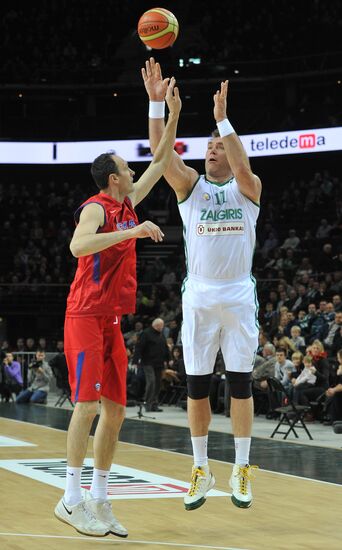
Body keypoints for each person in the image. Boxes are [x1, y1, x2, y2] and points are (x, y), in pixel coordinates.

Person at [54, 78, 182, 538]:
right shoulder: (98, 207)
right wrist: (131, 232)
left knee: (116, 411)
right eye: (128, 168)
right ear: (113, 178)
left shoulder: (128, 202)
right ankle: (71, 499)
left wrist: (172, 115)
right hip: (84, 317)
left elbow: (162, 161)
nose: (133, 171)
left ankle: (101, 498)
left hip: (111, 320)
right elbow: (77, 246)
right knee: (86, 405)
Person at [142, 57, 261, 510]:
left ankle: (242, 466)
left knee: (241, 385)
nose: (212, 151)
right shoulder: (191, 187)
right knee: (195, 385)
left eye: (219, 147)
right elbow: (161, 155)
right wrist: (157, 106)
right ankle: (200, 468)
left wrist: (222, 122)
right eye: (209, 146)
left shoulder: (248, 188)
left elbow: (244, 167)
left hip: (236, 294)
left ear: (231, 154)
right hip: (200, 294)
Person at [132, 317, 170, 412]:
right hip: (148, 362)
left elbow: (165, 348)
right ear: (156, 325)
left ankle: (154, 404)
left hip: (159, 363)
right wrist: (135, 361)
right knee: (151, 382)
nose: (162, 327)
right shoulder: (146, 333)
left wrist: (168, 359)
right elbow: (139, 347)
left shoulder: (161, 335)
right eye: (161, 326)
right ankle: (147, 402)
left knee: (158, 384)